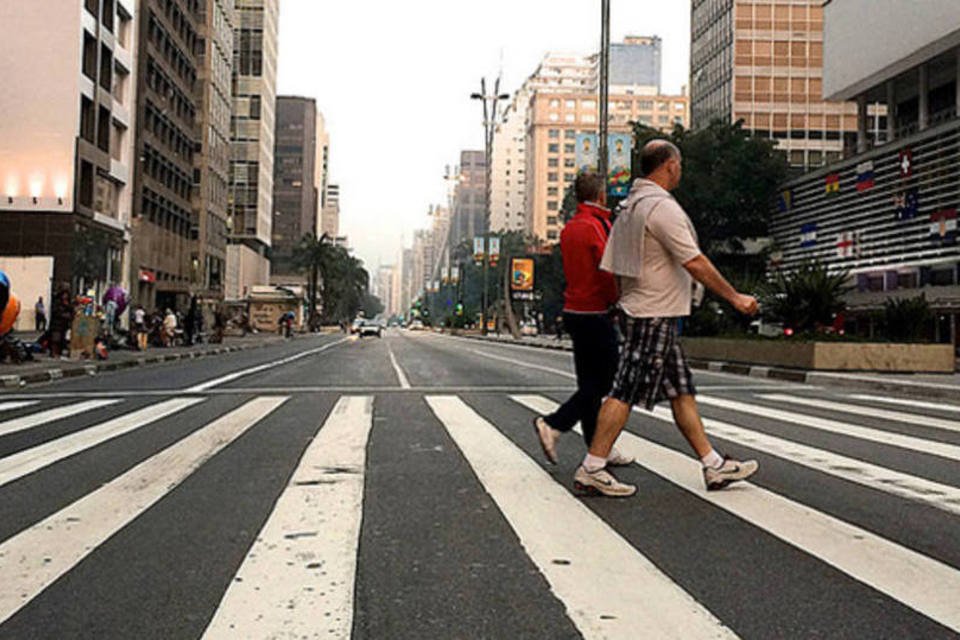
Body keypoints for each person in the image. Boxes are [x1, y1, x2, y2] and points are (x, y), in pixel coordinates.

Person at [574, 140, 760, 497]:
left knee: (681, 391)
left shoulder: (629, 207)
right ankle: (592, 468)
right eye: (679, 164)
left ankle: (713, 465)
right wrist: (735, 297)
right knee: (624, 390)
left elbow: (614, 267)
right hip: (653, 314)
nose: (681, 170)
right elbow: (694, 261)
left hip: (647, 308)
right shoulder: (660, 208)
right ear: (669, 165)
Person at [532, 173, 632, 466]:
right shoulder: (595, 226)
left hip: (574, 312)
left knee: (590, 382)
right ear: (601, 195)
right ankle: (554, 423)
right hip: (594, 312)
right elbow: (606, 269)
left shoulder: (571, 227)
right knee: (607, 381)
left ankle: (596, 447)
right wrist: (616, 300)